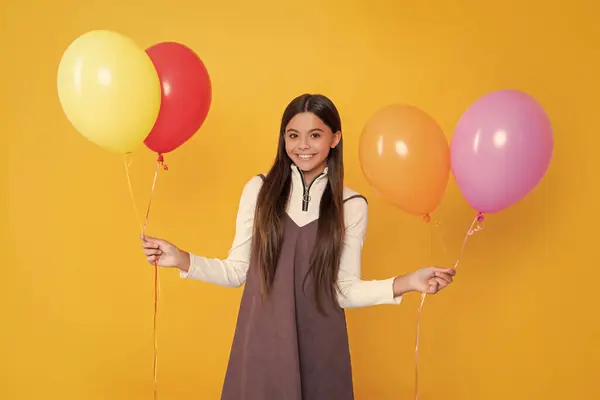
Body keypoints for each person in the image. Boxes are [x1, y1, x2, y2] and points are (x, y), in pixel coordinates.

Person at [141, 93, 456, 400]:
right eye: (293, 135)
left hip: (321, 348)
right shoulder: (259, 189)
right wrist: (182, 259)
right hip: (263, 346)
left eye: (315, 135)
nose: (303, 145)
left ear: (335, 138)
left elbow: (344, 290)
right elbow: (237, 271)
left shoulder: (351, 204)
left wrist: (409, 282)